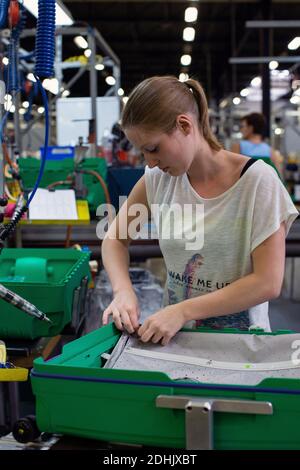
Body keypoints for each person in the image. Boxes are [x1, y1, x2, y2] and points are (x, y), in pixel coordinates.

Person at [101, 76, 298, 346]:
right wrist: (123, 291)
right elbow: (115, 239)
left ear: (184, 125)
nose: (150, 161)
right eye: (143, 153)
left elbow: (267, 282)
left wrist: (182, 311)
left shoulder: (257, 182)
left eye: (153, 148)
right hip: (174, 339)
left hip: (241, 347)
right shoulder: (157, 180)